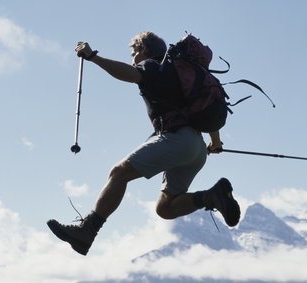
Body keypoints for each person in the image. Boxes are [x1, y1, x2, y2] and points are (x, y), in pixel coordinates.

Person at [47, 31, 241, 256]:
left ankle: (87, 231)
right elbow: (205, 111)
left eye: (133, 53)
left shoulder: (153, 67)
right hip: (197, 149)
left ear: (144, 50)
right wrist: (215, 143)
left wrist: (93, 57)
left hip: (177, 140)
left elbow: (130, 74)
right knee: (165, 208)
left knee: (119, 173)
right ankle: (210, 196)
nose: (132, 58)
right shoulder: (185, 77)